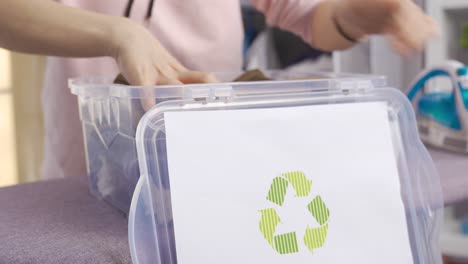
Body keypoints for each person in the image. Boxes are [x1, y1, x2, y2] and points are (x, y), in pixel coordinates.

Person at [0, 0, 437, 179]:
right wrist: (115, 34)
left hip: (215, 169)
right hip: (91, 172)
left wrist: (353, 15)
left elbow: (310, 14)